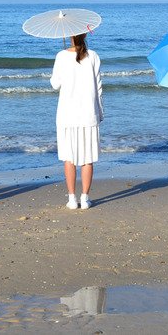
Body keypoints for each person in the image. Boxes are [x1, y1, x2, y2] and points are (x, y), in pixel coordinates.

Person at [50, 33, 103, 210]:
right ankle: (85, 198)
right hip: (88, 113)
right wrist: (100, 113)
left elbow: (55, 84)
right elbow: (99, 87)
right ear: (85, 34)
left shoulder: (61, 56)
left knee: (69, 156)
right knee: (88, 158)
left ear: (68, 35)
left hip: (67, 114)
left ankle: (72, 198)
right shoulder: (93, 56)